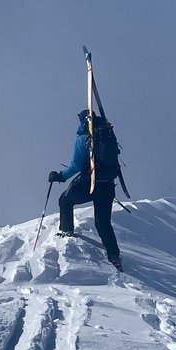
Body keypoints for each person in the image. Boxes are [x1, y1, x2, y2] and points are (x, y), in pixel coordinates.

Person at [48, 110, 124, 271]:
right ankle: (114, 256)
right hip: (108, 185)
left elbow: (75, 165)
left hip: (89, 184)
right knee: (103, 222)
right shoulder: (107, 136)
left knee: (64, 201)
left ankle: (67, 231)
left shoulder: (84, 138)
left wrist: (60, 176)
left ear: (83, 121)